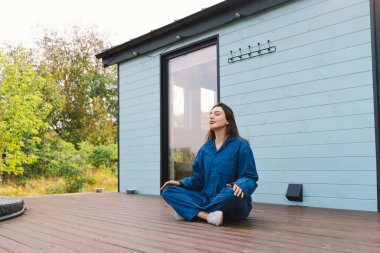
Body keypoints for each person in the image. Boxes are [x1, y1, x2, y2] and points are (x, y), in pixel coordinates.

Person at [161, 103, 258, 226]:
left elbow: (250, 176)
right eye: (210, 114)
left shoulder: (241, 145)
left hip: (232, 201)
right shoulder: (205, 149)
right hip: (207, 197)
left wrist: (240, 185)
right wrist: (181, 183)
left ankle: (191, 212)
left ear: (228, 120)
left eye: (217, 114)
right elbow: (199, 179)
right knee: (169, 191)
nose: (211, 116)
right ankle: (207, 216)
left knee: (229, 194)